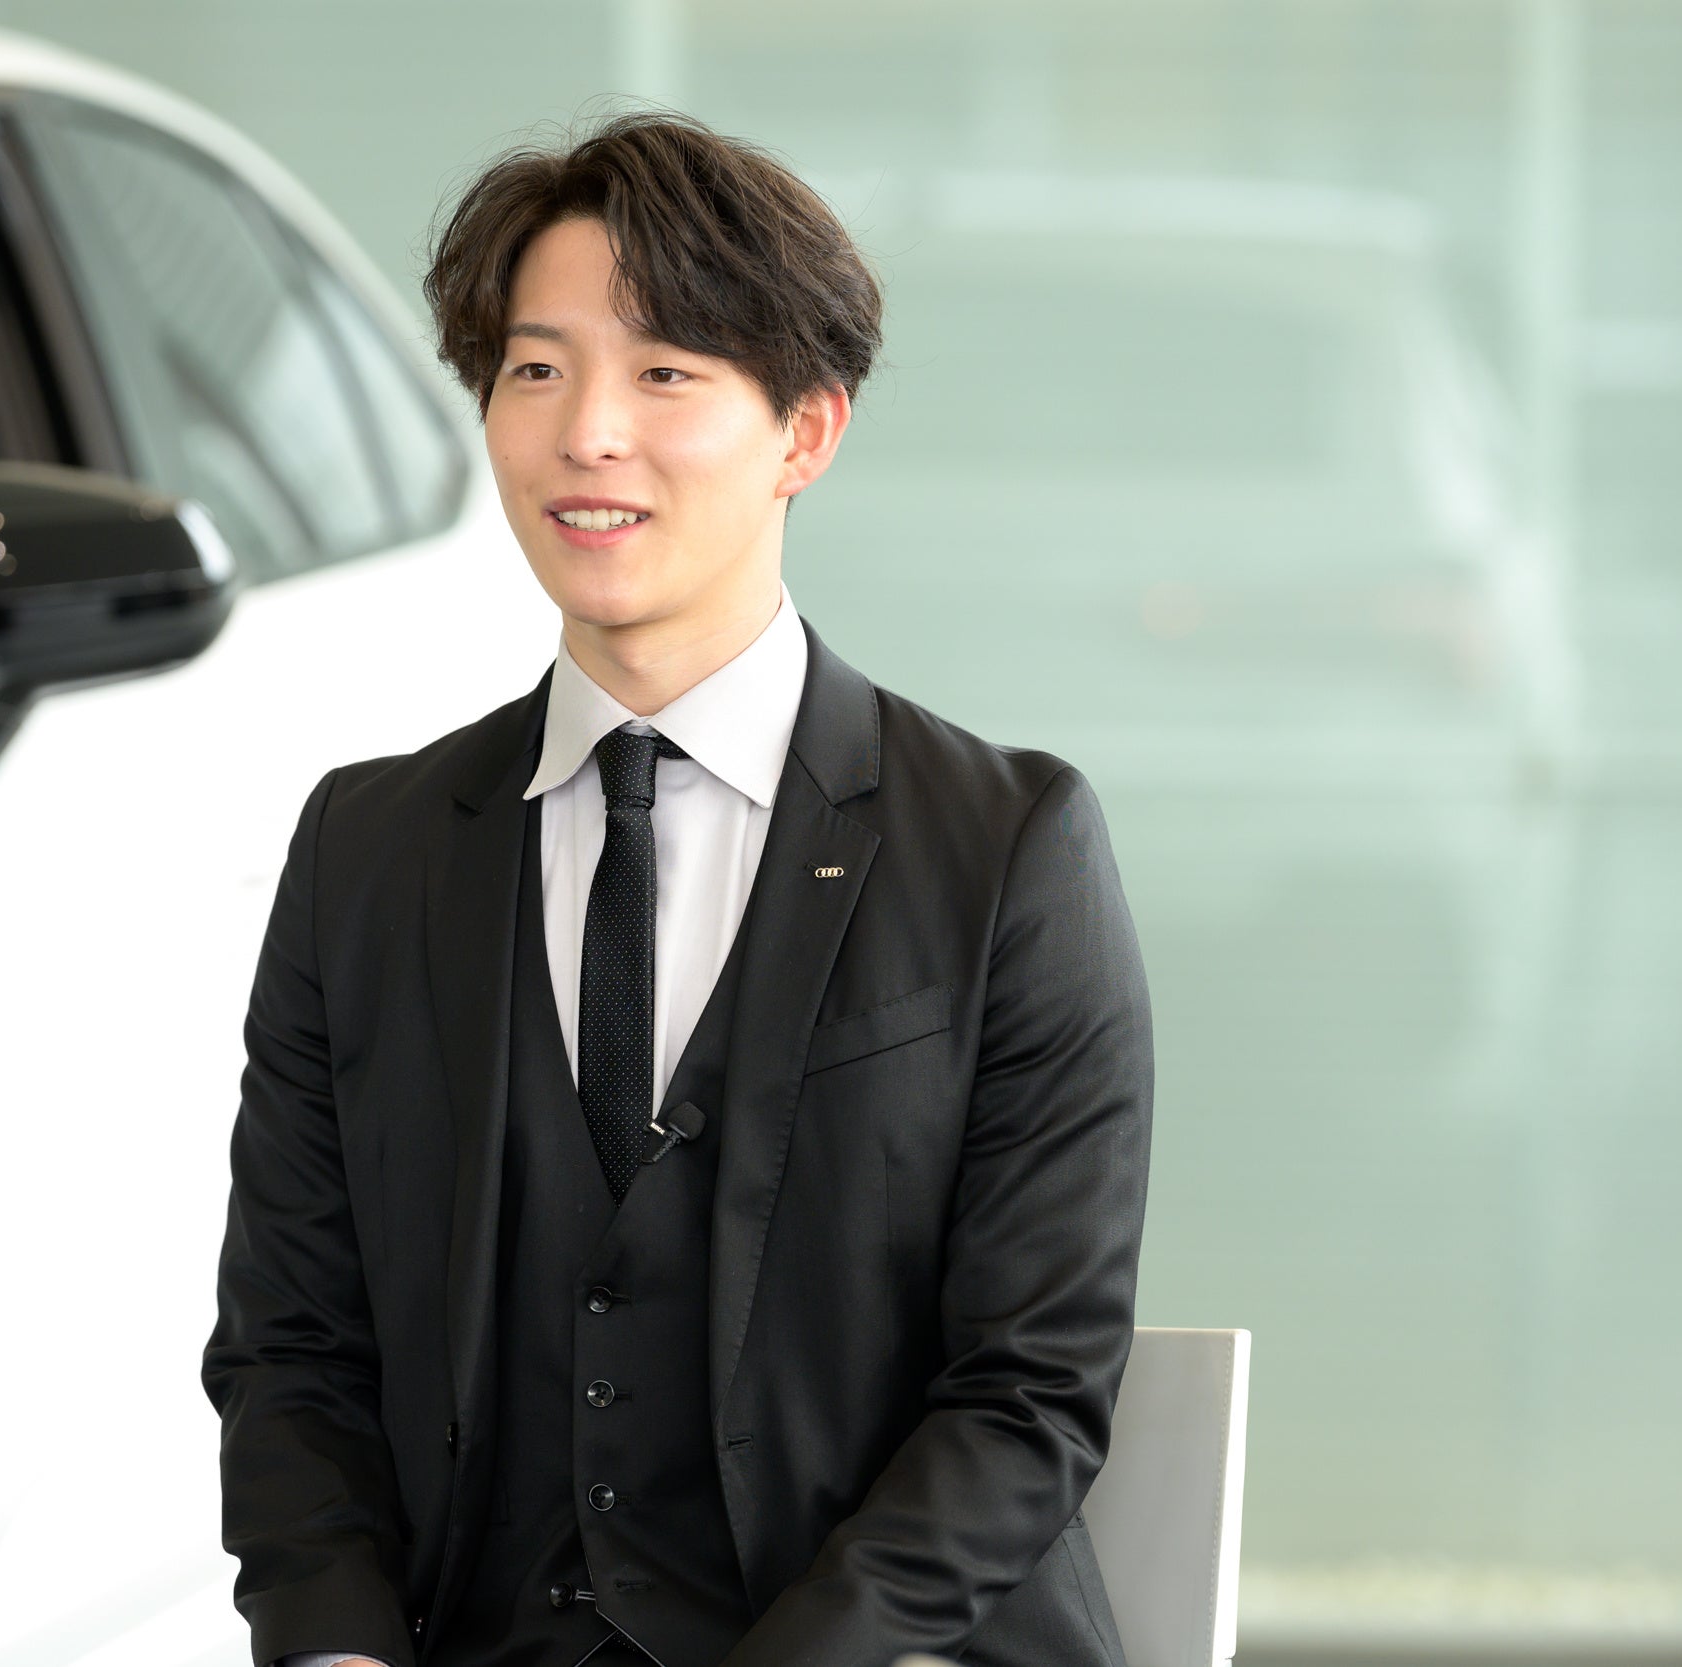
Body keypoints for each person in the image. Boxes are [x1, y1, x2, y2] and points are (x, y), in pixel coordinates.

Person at [201, 108, 1154, 1667]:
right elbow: (293, 1351)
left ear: (806, 433)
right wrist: (337, 1648)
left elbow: (1028, 1392)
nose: (589, 433)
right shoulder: (367, 851)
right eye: (536, 369)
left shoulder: (1004, 849)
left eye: (665, 373)